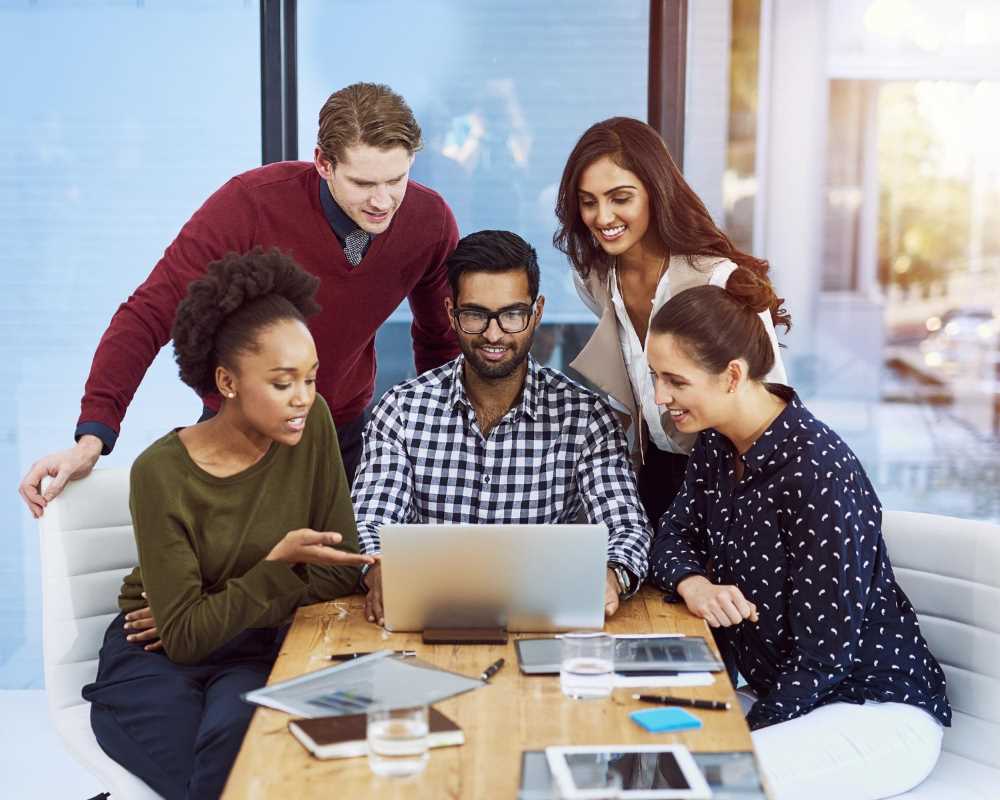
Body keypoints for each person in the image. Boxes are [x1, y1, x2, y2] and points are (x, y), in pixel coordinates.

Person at [19, 81, 460, 517]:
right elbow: (149, 313)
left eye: (397, 179)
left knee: (349, 579)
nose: (383, 201)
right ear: (323, 163)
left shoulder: (429, 221)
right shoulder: (250, 206)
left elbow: (441, 341)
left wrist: (443, 445)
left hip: (342, 436)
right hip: (241, 434)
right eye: (364, 183)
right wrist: (93, 436)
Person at [82, 249, 374, 800]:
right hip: (154, 654)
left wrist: (217, 603)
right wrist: (277, 567)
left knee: (240, 757)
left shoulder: (309, 429)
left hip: (249, 644)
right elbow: (186, 639)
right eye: (283, 382)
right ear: (228, 381)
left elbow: (338, 572)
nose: (303, 399)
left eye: (310, 379)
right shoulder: (161, 472)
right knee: (216, 781)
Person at [645, 276, 950, 800]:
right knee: (632, 753)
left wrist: (745, 731)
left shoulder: (818, 471)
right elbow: (670, 538)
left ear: (732, 376)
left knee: (698, 783)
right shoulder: (718, 449)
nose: (660, 397)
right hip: (789, 697)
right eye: (655, 376)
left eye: (674, 380)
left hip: (870, 709)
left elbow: (825, 657)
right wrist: (695, 584)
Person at [352, 230, 651, 625]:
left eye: (512, 315)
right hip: (423, 623)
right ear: (450, 312)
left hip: (544, 623)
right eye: (475, 315)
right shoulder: (401, 411)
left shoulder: (584, 417)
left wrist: (611, 575)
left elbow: (627, 526)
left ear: (537, 312)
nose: (494, 335)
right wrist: (378, 569)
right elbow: (369, 520)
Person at [553, 116, 789, 526]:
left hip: (729, 480)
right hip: (652, 474)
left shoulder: (720, 280)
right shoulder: (593, 277)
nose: (602, 216)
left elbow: (772, 419)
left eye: (620, 198)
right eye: (588, 201)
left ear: (655, 192)